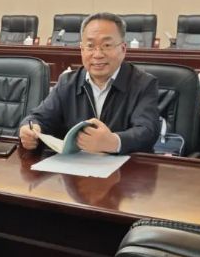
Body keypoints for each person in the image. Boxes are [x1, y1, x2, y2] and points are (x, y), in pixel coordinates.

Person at [19, 12, 160, 154]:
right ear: (82, 50)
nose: (97, 54)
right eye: (90, 46)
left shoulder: (144, 84)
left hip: (125, 166)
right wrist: (30, 129)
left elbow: (147, 131)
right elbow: (39, 117)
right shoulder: (67, 83)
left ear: (123, 49)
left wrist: (114, 142)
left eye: (107, 45)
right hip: (75, 165)